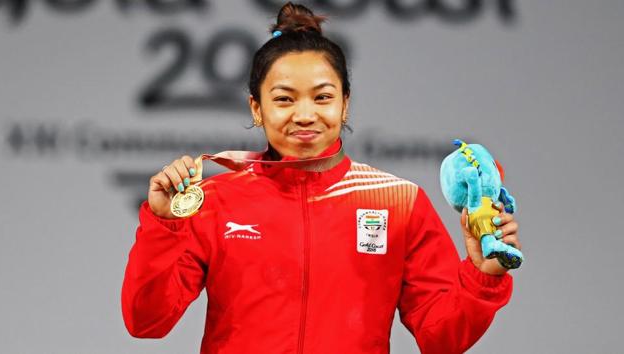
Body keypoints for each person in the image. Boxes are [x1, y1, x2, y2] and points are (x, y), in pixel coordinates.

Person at [121, 2, 522, 353]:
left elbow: (442, 339)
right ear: (256, 108)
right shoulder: (216, 200)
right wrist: (164, 226)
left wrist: (482, 275)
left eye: (323, 96)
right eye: (283, 99)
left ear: (345, 104)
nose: (305, 115)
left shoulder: (398, 202)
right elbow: (147, 322)